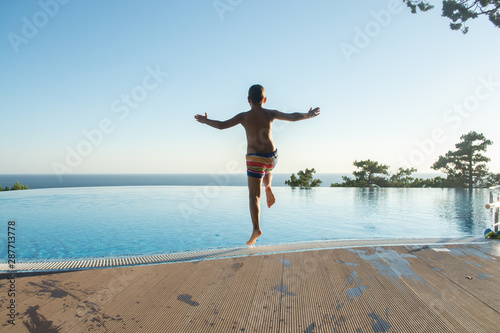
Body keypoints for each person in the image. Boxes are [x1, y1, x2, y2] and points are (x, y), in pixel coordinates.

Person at [195, 84, 320, 245]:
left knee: (254, 195)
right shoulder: (270, 113)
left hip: (256, 160)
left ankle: (256, 228)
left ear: (248, 100)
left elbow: (221, 125)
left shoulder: (244, 116)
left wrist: (206, 121)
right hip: (273, 157)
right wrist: (309, 115)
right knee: (268, 169)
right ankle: (268, 186)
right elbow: (293, 116)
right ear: (264, 99)